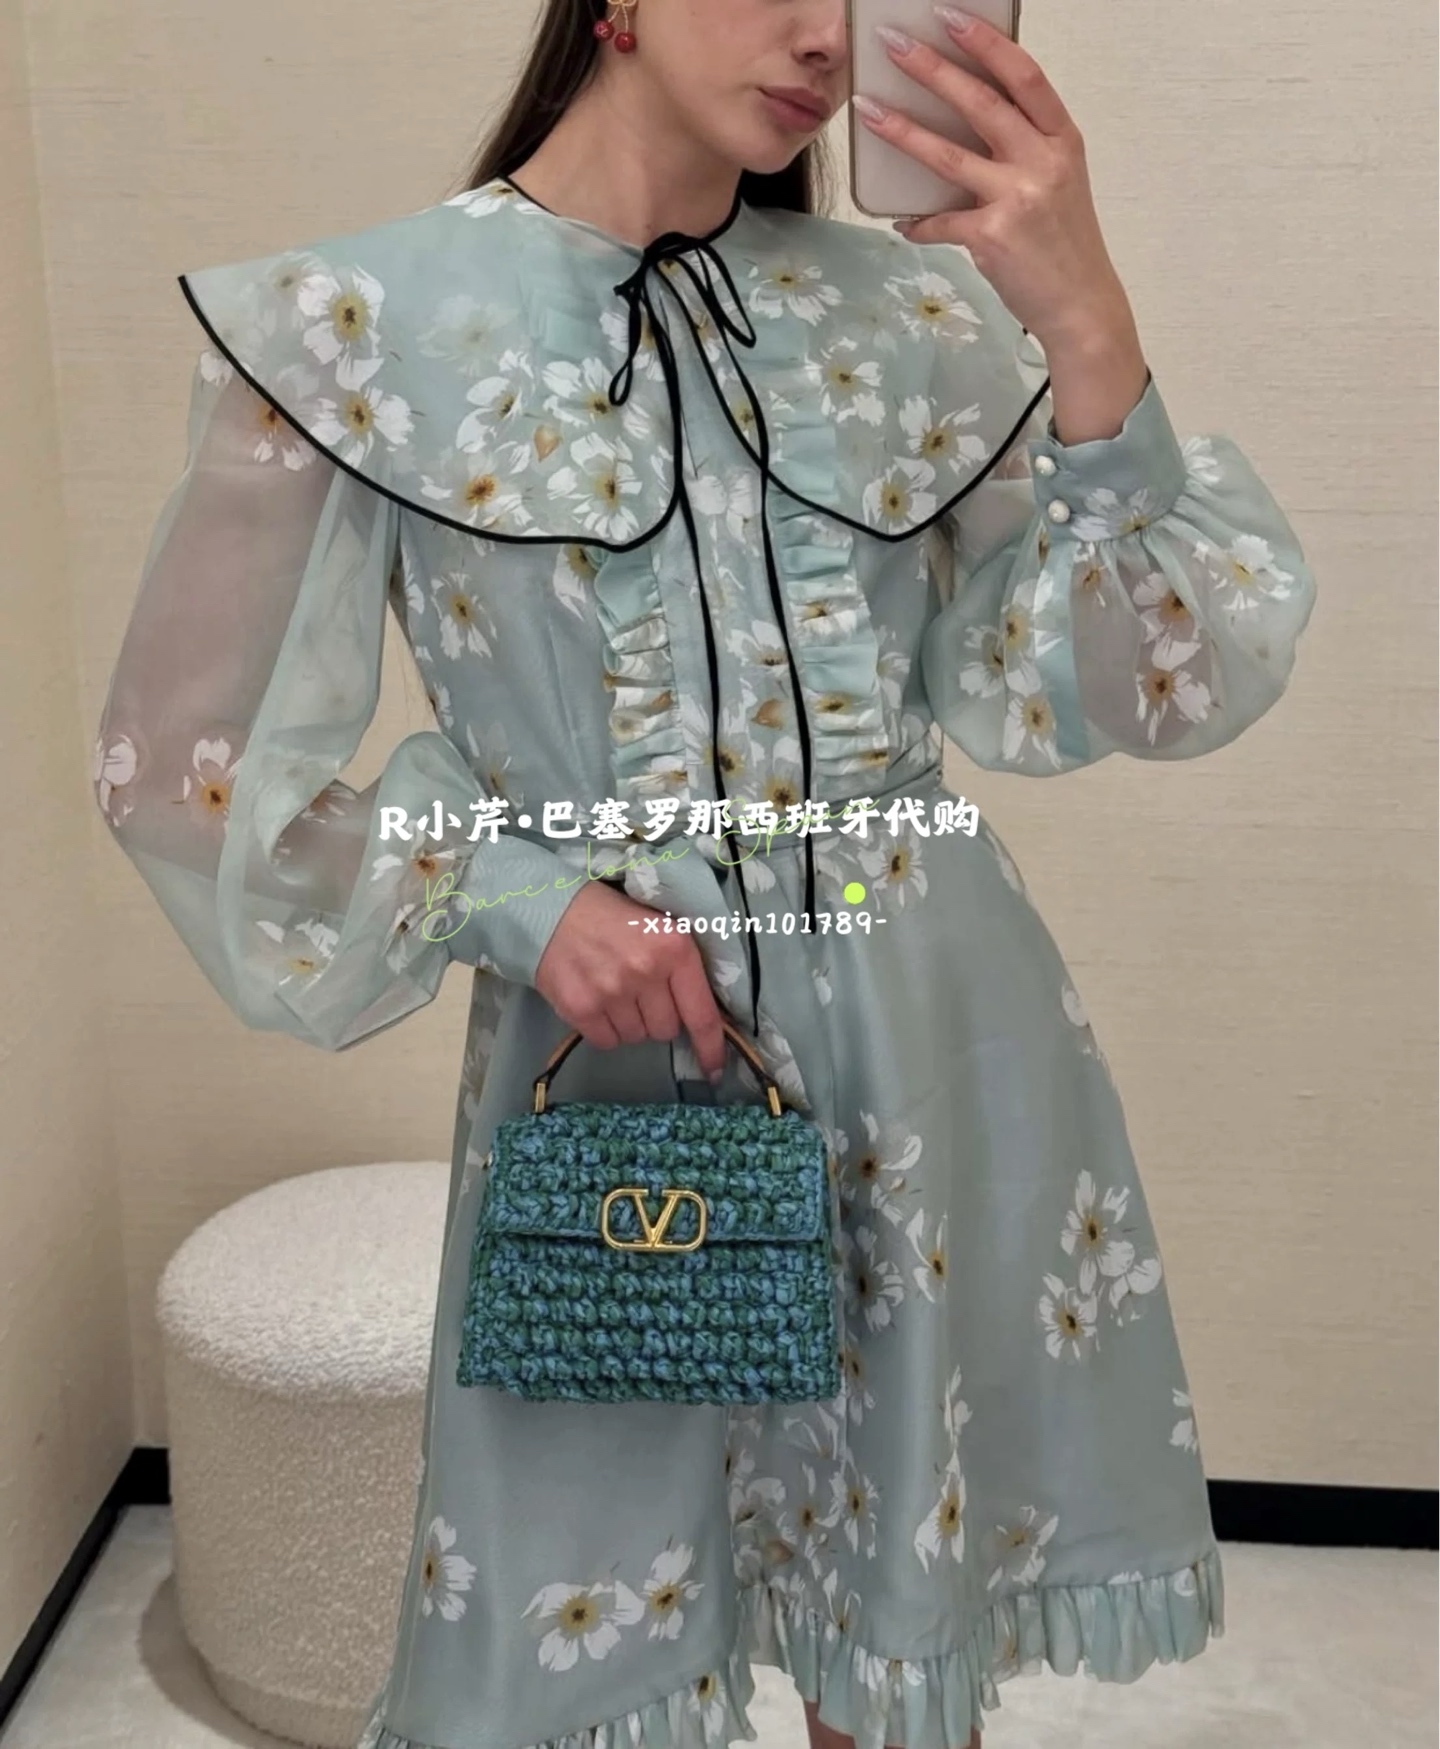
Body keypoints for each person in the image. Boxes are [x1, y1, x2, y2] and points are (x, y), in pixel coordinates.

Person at [92, 0, 1317, 1745]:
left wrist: (1084, 311)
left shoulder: (915, 317)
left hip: (930, 1043)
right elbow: (176, 773)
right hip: (617, 1072)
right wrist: (513, 896)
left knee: (896, 1644)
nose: (823, 32)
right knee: (592, 1637)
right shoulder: (361, 328)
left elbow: (1149, 679)